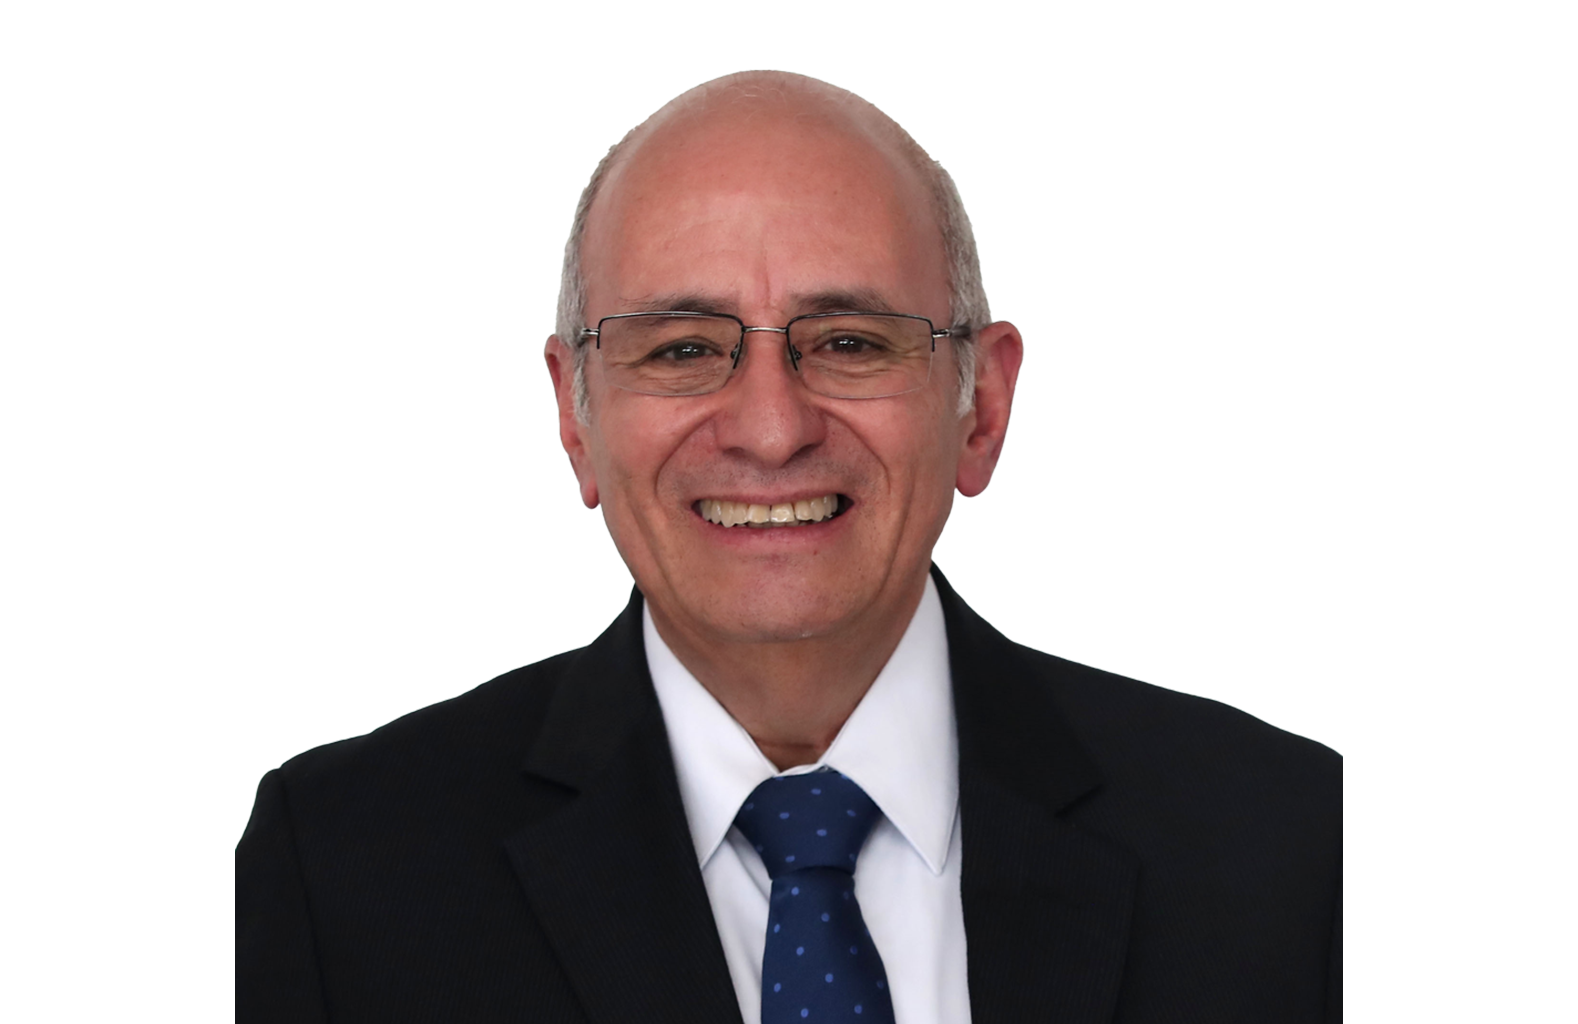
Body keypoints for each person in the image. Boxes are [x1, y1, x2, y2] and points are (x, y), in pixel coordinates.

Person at [237, 71, 1340, 1024]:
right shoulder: (336, 872)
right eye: (681, 349)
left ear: (982, 408)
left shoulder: (1297, 849)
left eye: (850, 341)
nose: (771, 428)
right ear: (577, 417)